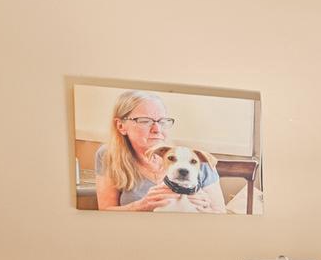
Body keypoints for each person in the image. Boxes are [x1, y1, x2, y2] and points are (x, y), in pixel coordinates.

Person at [94, 90, 225, 212]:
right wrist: (142, 205)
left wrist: (204, 210)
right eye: (145, 121)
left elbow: (220, 216)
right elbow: (106, 212)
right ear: (121, 126)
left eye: (162, 121)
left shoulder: (197, 160)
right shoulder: (108, 155)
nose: (157, 129)